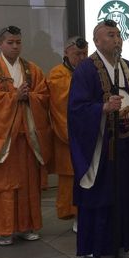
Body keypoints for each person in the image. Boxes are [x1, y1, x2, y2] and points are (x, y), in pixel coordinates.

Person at [67, 20, 129, 258]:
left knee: (125, 196)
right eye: (110, 35)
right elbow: (76, 110)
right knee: (100, 195)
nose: (116, 39)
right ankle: (92, 252)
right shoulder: (85, 70)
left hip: (126, 144)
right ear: (97, 41)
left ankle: (125, 245)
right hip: (100, 147)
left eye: (118, 35)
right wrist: (102, 108)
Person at [0, 26, 52, 245]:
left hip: (27, 139)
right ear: (0, 44)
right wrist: (13, 97)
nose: (15, 46)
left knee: (28, 184)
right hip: (3, 141)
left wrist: (30, 98)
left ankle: (27, 227)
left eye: (18, 42)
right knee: (5, 186)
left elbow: (44, 96)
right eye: (10, 42)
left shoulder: (32, 70)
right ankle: (4, 229)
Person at [47, 36, 88, 231]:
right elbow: (60, 105)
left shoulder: (89, 71)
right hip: (68, 135)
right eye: (76, 54)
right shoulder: (57, 74)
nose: (81, 57)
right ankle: (75, 217)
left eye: (84, 54)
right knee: (70, 177)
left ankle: (87, 214)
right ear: (66, 53)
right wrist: (73, 133)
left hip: (88, 133)